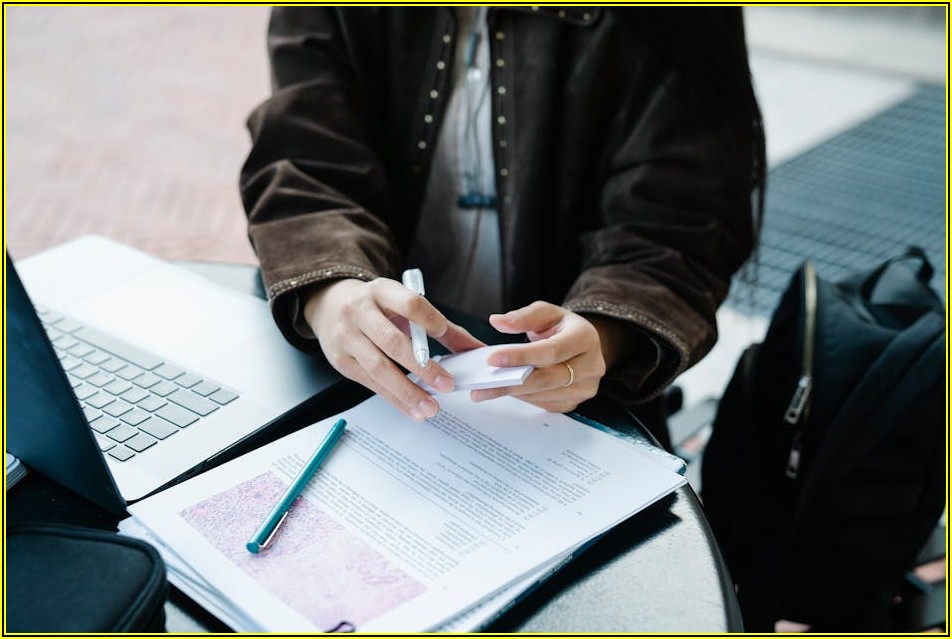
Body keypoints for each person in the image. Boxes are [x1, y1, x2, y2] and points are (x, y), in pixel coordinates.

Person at [240, 7, 764, 446]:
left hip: (579, 412)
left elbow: (684, 219)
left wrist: (605, 335)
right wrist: (332, 292)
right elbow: (303, 156)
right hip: (362, 384)